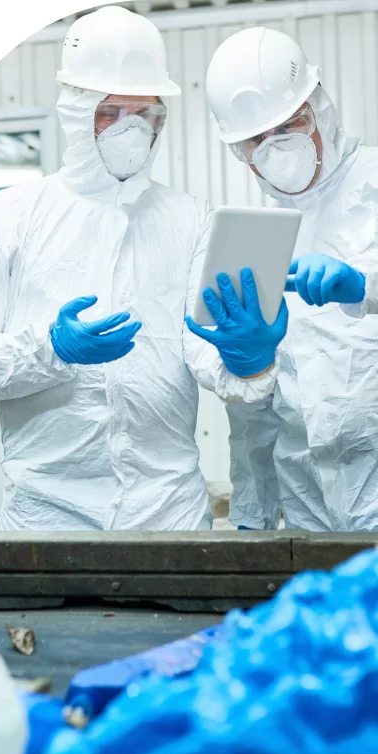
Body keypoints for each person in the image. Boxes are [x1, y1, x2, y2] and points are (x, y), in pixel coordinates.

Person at [0, 8, 286, 533]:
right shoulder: (5, 217)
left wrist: (248, 360)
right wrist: (49, 350)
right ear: (76, 112)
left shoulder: (190, 218)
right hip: (44, 518)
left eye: (146, 113)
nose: (132, 130)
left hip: (169, 516)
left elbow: (202, 348)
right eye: (112, 111)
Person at [205, 26, 378, 532]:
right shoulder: (258, 239)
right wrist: (252, 517)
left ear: (320, 108)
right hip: (308, 506)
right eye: (255, 139)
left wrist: (367, 288)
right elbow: (256, 421)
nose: (274, 148)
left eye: (288, 125)